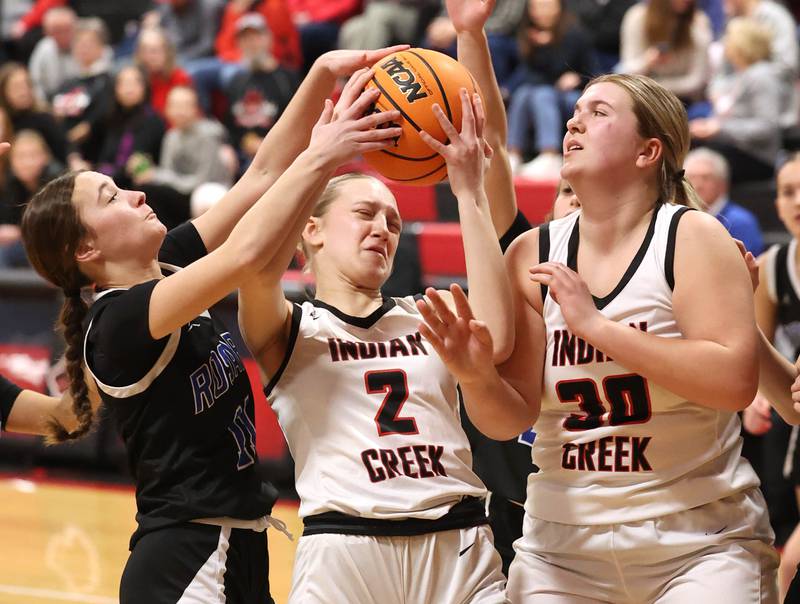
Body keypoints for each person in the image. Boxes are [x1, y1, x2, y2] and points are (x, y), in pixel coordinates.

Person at [19, 48, 405, 603]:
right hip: (183, 562)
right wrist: (322, 158)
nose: (137, 192)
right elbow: (246, 254)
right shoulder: (118, 321)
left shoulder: (168, 264)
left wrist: (322, 73)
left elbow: (262, 176)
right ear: (86, 247)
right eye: (113, 197)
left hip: (241, 548)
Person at [418, 72, 783, 601]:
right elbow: (507, 419)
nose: (573, 120)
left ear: (648, 151)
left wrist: (595, 327)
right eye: (576, 111)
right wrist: (474, 377)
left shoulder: (692, 237)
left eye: (599, 112)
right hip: (562, 546)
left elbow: (732, 383)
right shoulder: (532, 252)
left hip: (699, 542)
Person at [239, 88, 511, 601]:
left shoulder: (423, 315)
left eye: (393, 222)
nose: (383, 229)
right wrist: (321, 160)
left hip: (456, 540)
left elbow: (494, 336)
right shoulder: (291, 328)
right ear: (312, 230)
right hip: (345, 547)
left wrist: (469, 192)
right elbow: (251, 267)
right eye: (365, 214)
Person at [752, 155, 800, 599]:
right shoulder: (773, 264)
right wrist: (755, 399)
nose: (796, 201)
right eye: (787, 191)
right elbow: (755, 348)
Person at [506, 0, 596, 179]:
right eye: (536, 7)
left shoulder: (574, 33)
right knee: (522, 94)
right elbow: (529, 73)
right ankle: (513, 153)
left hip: (569, 93)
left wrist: (576, 78)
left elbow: (592, 71)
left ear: (558, 7)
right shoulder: (528, 35)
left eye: (546, 6)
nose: (541, 12)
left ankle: (550, 154)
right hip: (541, 88)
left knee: (542, 95)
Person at [690, 17, 781, 184]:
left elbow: (767, 127)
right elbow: (716, 85)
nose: (725, 44)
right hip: (733, 148)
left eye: (728, 38)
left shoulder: (762, 75)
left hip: (756, 156)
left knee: (701, 157)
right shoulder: (738, 75)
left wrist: (719, 129)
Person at [618, 0, 712, 105]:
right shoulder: (638, 17)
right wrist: (648, 61)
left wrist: (657, 87)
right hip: (644, 96)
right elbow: (627, 70)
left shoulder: (699, 22)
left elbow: (697, 80)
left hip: (683, 100)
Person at [684, 146, 764, 254]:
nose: (698, 185)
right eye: (692, 177)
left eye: (706, 178)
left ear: (722, 184)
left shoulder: (740, 222)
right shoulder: (679, 217)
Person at [95, 66, 166, 186]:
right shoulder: (109, 117)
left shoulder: (153, 120)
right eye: (124, 84)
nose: (129, 89)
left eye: (135, 83)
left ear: (144, 87)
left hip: (135, 182)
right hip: (105, 175)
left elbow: (141, 162)